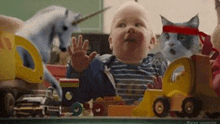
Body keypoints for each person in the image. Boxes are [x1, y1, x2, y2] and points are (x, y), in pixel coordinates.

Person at [67, 1, 167, 104]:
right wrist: (78, 72)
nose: (130, 28)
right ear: (111, 41)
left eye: (138, 24)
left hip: (147, 119)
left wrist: (164, 95)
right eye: (122, 25)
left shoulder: (160, 68)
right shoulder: (98, 67)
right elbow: (76, 99)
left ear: (152, 41)